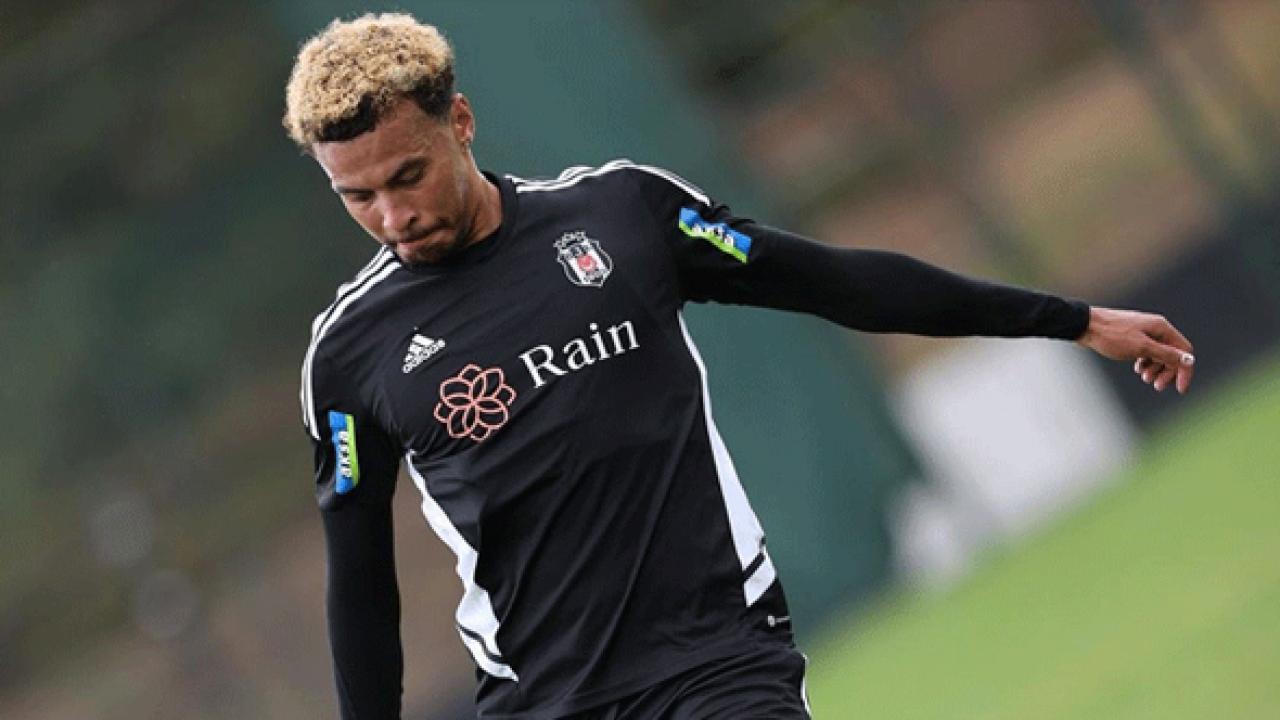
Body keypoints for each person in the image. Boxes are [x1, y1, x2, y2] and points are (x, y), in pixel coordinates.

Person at [285, 13, 1196, 720]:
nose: (392, 217)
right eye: (356, 196)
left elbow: (838, 283)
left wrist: (1073, 320)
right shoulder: (349, 355)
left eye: (407, 177)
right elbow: (360, 581)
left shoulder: (622, 217)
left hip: (718, 656)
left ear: (461, 122)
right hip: (543, 697)